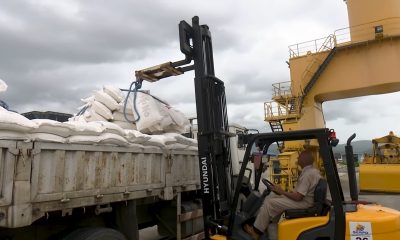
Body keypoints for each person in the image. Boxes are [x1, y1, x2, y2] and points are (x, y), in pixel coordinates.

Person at [244, 150, 321, 239]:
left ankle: (256, 231)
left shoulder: (308, 174)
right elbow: (298, 193)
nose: (297, 158)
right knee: (273, 197)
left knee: (270, 203)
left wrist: (282, 192)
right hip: (306, 201)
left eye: (299, 157)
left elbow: (298, 197)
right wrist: (280, 192)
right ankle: (268, 224)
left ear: (304, 159)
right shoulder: (311, 171)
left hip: (304, 203)